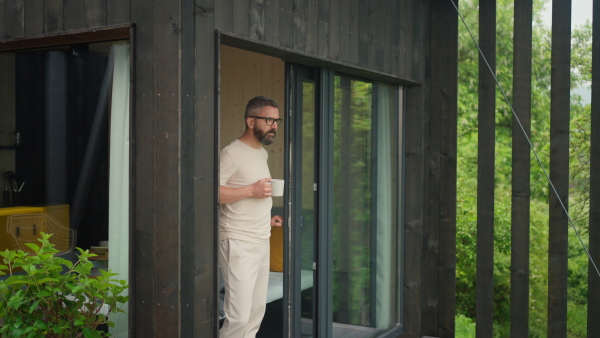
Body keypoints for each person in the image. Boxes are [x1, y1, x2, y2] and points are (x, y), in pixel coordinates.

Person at [219, 96, 284, 338]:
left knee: (256, 312)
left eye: (276, 120)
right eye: (269, 120)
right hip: (238, 241)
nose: (274, 125)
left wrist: (267, 220)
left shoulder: (261, 154)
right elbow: (210, 192)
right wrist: (251, 190)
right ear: (250, 121)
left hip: (260, 238)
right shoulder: (231, 153)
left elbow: (251, 199)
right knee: (239, 317)